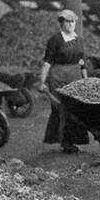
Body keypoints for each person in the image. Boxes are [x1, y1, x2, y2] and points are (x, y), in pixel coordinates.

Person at [37, 9, 89, 153]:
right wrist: (42, 82)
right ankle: (65, 142)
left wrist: (86, 80)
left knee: (77, 109)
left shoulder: (79, 40)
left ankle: (74, 140)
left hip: (75, 77)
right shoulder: (55, 40)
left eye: (73, 21)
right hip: (59, 77)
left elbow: (82, 62)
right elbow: (47, 62)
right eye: (68, 21)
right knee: (62, 109)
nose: (71, 24)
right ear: (61, 23)